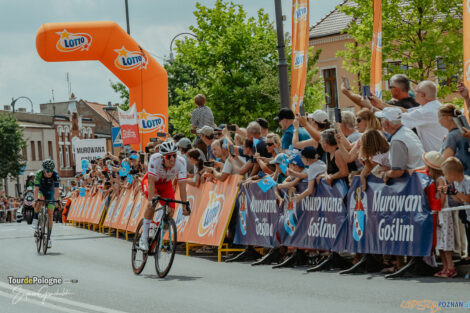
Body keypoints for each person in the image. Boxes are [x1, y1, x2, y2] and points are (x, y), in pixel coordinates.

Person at [139, 140, 190, 251]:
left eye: (174, 155)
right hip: (151, 182)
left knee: (171, 211)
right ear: (162, 157)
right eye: (168, 157)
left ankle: (159, 239)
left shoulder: (181, 162)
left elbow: (182, 185)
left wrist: (185, 205)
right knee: (152, 204)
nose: (172, 159)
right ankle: (143, 238)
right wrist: (150, 200)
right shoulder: (155, 159)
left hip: (166, 184)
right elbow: (151, 181)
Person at [372, 81, 447, 152]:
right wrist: (381, 104)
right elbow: (405, 111)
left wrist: (371, 107)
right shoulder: (433, 106)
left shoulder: (425, 112)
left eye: (416, 91)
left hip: (436, 157)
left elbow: (397, 118)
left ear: (422, 95)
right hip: (439, 154)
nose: (414, 94)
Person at [420, 151, 455, 278]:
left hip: (443, 214)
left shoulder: (441, 180)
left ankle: (450, 266)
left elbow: (443, 197)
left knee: (445, 242)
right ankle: (445, 266)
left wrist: (436, 205)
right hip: (438, 214)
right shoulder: (434, 180)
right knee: (439, 242)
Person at [374, 107, 424, 183]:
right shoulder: (406, 131)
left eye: (381, 120)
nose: (380, 123)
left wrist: (386, 174)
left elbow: (398, 172)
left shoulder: (397, 140)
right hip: (421, 177)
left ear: (387, 123)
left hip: (415, 182)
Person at [441, 157, 470, 264]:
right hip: (467, 216)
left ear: (452, 174)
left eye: (445, 174)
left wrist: (455, 191)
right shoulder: (456, 184)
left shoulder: (468, 182)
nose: (445, 177)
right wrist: (450, 193)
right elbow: (460, 200)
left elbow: (468, 199)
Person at [343, 74, 419, 110]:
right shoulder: (418, 104)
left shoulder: (395, 106)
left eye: (390, 87)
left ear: (397, 90)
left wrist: (347, 92)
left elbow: (362, 101)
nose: (389, 89)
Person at [32, 159, 60, 249]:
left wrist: (56, 200)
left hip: (50, 191)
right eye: (48, 171)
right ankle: (36, 219)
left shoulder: (55, 175)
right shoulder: (39, 174)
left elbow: (56, 191)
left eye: (51, 170)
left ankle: (48, 239)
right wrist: (35, 200)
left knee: (51, 213)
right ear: (44, 170)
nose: (50, 173)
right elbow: (36, 189)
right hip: (41, 190)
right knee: (39, 201)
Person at [438, 104, 470, 175]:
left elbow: (445, 161)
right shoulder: (464, 131)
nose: (438, 120)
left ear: (447, 117)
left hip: (462, 177)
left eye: (439, 116)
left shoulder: (452, 136)